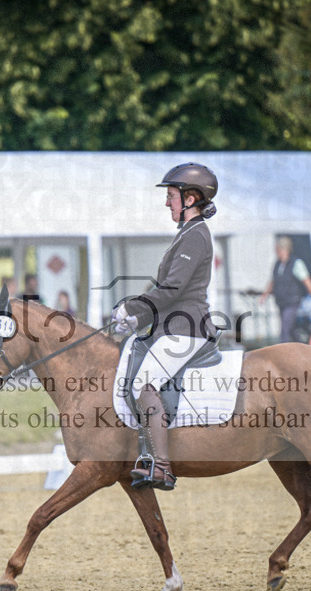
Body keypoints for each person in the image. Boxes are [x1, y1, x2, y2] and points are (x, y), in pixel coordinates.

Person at [113, 162, 219, 492]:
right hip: (173, 327)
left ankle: (161, 466)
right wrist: (137, 317)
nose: (167, 202)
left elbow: (172, 289)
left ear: (190, 198)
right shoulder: (186, 235)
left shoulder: (196, 235)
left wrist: (132, 306)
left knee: (145, 386)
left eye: (171, 196)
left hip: (188, 330)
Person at [258, 236, 311, 344]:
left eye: (278, 249)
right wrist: (264, 295)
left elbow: (306, 281)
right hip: (282, 301)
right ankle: (302, 347)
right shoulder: (277, 264)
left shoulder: (296, 263)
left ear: (285, 249)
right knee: (291, 329)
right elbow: (273, 281)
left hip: (292, 301)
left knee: (285, 329)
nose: (277, 252)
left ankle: (282, 353)